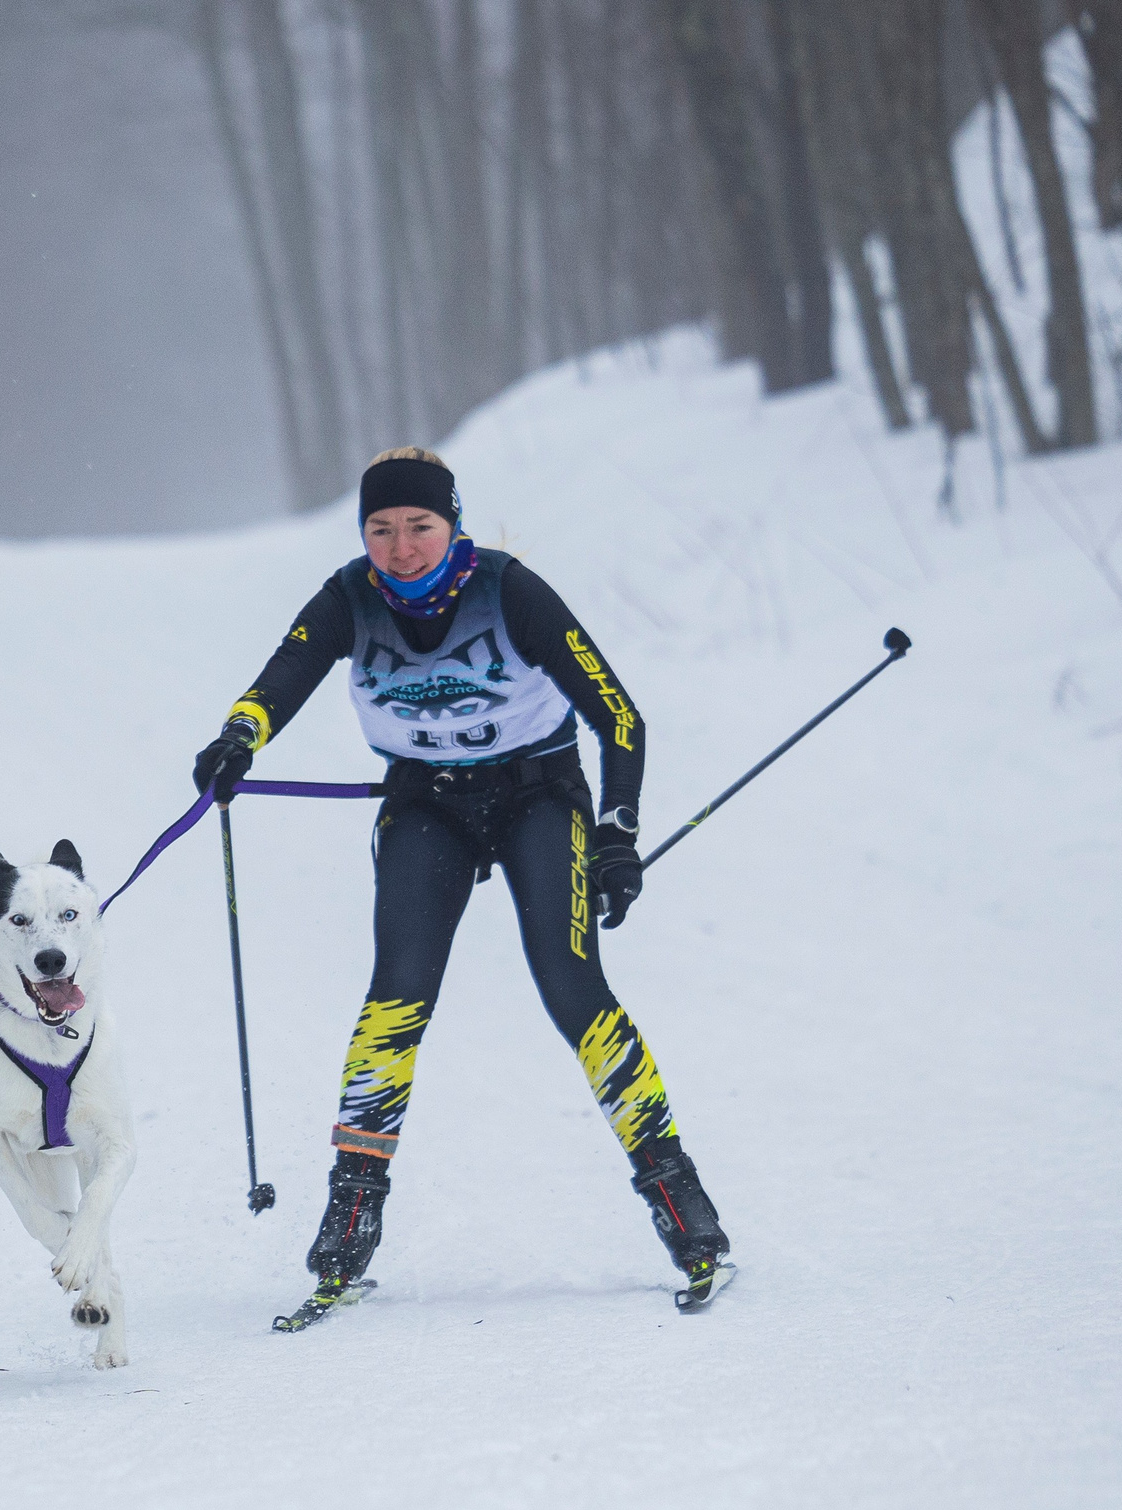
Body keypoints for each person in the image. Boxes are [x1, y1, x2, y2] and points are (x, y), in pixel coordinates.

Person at [190, 446, 730, 1313]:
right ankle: (351, 1218)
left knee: (572, 987)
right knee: (395, 993)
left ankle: (681, 1202)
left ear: (453, 525)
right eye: (381, 529)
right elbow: (280, 678)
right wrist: (238, 738)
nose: (400, 548)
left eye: (419, 527)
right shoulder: (348, 597)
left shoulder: (510, 589)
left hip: (538, 796)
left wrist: (618, 832)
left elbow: (619, 716)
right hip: (425, 805)